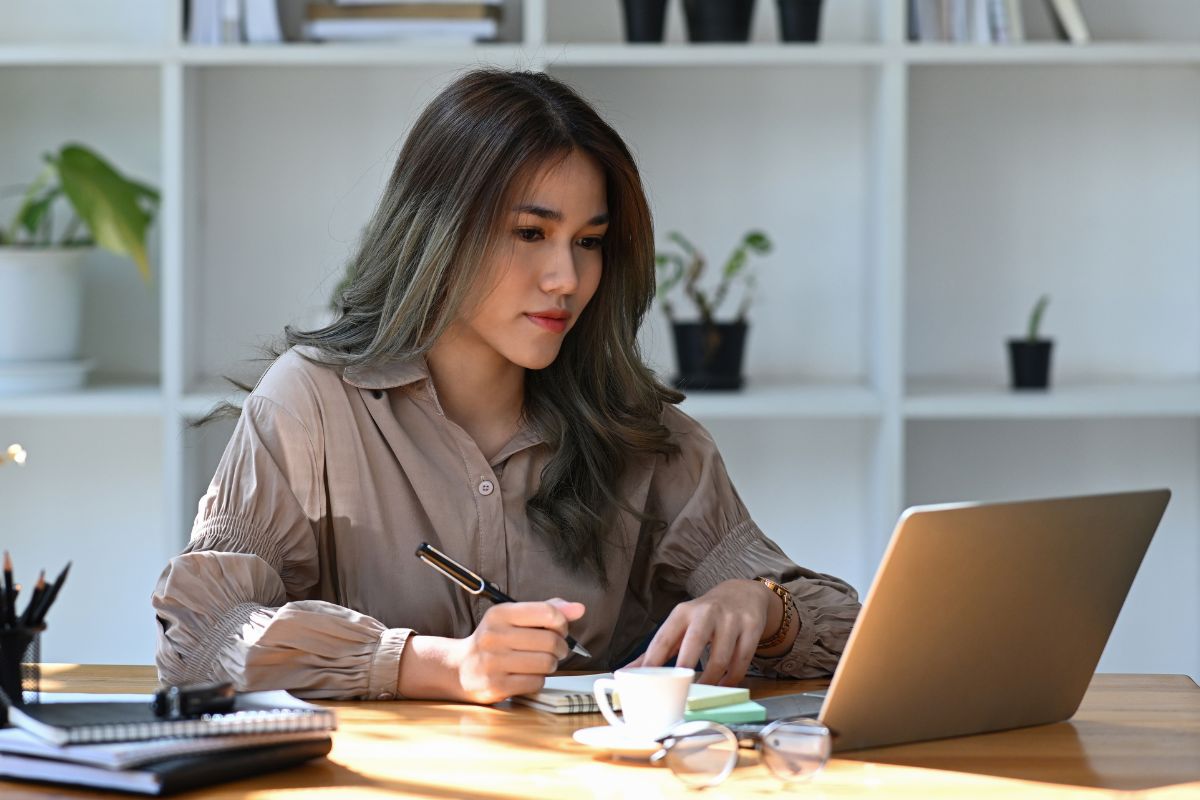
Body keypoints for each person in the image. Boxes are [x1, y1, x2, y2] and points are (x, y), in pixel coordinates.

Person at [152, 68, 860, 704]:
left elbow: (850, 631)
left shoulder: (639, 429)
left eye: (588, 242)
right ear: (440, 231)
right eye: (530, 233)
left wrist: (761, 604)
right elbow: (203, 636)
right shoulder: (310, 405)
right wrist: (435, 664)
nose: (568, 278)